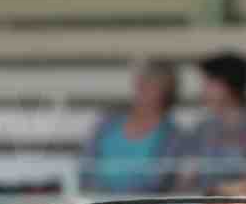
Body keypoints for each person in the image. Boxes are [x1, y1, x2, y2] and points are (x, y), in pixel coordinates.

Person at [78, 61, 182, 196]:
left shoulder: (173, 135)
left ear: (167, 91)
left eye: (151, 84)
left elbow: (159, 182)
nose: (142, 88)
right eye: (141, 82)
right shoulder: (107, 123)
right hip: (96, 201)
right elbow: (86, 166)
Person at [175, 52, 246, 192]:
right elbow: (184, 179)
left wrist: (223, 191)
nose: (203, 89)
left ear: (227, 85)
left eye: (208, 82)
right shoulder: (201, 128)